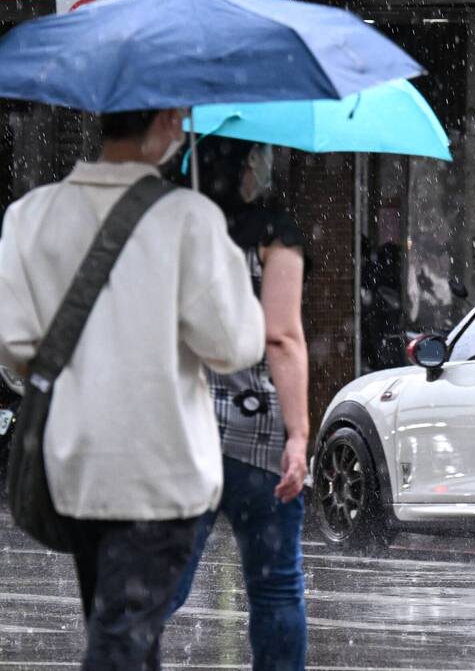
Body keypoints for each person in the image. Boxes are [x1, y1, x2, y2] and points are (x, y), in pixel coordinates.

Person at [0, 109, 265, 668]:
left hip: (73, 464)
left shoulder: (29, 216)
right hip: (160, 469)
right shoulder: (187, 219)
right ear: (169, 121)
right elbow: (235, 345)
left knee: (125, 629)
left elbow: (14, 344)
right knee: (123, 638)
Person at [166, 137, 309, 671]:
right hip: (259, 434)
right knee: (275, 589)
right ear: (248, 166)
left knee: (159, 586)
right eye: (260, 158)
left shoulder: (169, 232)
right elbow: (282, 339)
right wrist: (298, 435)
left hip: (182, 429)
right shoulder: (273, 235)